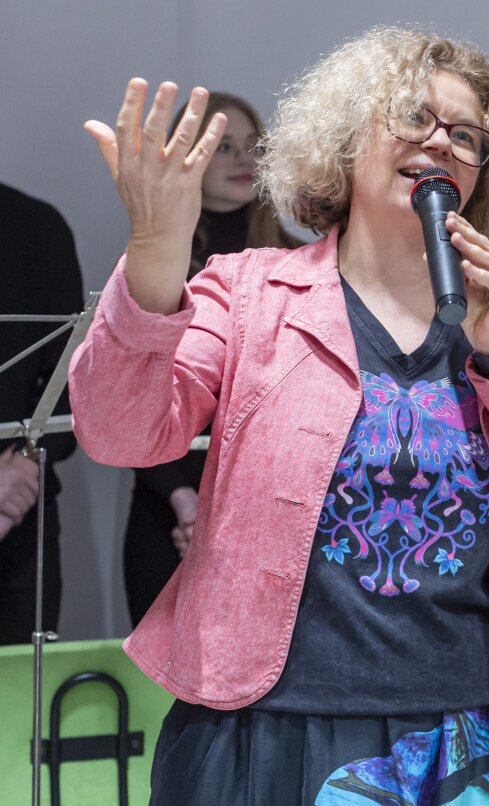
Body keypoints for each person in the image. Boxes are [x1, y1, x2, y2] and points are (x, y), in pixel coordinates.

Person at [70, 26, 489, 804]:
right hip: (262, 727)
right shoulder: (250, 295)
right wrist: (156, 251)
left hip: (468, 739)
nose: (440, 142)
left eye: (466, 135)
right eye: (414, 116)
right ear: (345, 137)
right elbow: (118, 432)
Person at [123, 92, 301, 626]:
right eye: (222, 146)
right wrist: (184, 503)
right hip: (167, 502)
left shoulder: (304, 261)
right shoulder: (156, 263)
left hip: (275, 504)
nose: (243, 158)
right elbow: (136, 397)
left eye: (253, 145)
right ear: (188, 158)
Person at [0, 182, 84, 644]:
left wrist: (23, 465)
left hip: (18, 506)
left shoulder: (36, 225)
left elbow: (71, 379)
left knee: (23, 681)